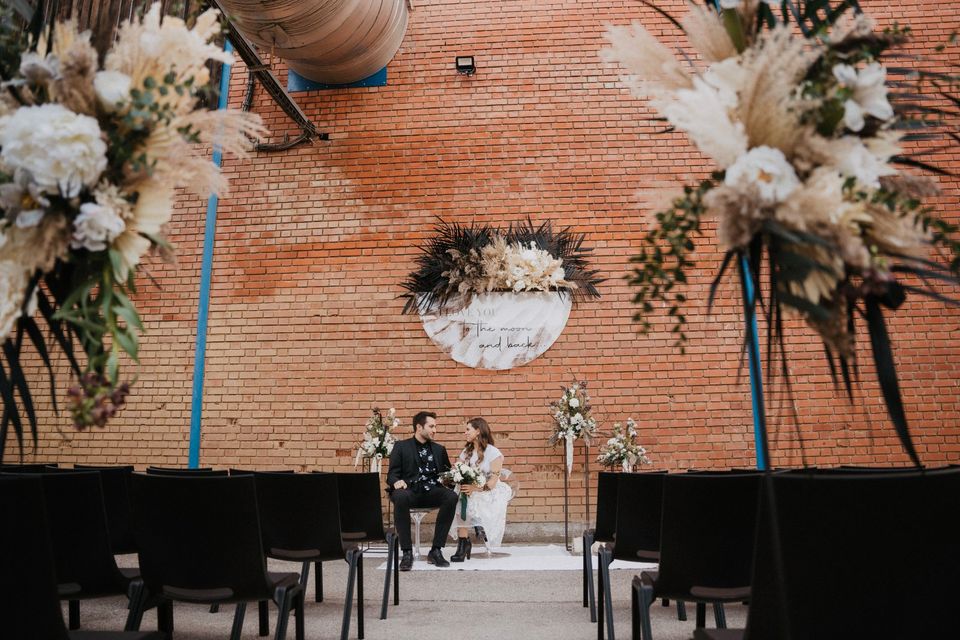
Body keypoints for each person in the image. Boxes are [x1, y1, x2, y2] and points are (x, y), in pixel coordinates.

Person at [387, 411, 458, 570]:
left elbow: (448, 476)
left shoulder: (440, 449)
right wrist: (396, 482)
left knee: (451, 497)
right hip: (410, 492)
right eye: (431, 426)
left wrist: (458, 477)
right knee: (400, 497)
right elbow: (391, 474)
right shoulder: (401, 447)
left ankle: (436, 550)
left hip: (432, 491)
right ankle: (406, 552)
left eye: (435, 427)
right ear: (419, 427)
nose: (434, 430)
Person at [448, 417, 512, 562]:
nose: (465, 433)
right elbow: (457, 469)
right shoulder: (467, 452)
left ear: (478, 431)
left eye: (468, 429)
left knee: (469, 498)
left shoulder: (493, 452)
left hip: (489, 489)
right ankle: (463, 543)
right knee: (460, 498)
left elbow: (493, 482)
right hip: (469, 489)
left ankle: (475, 532)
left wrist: (475, 488)